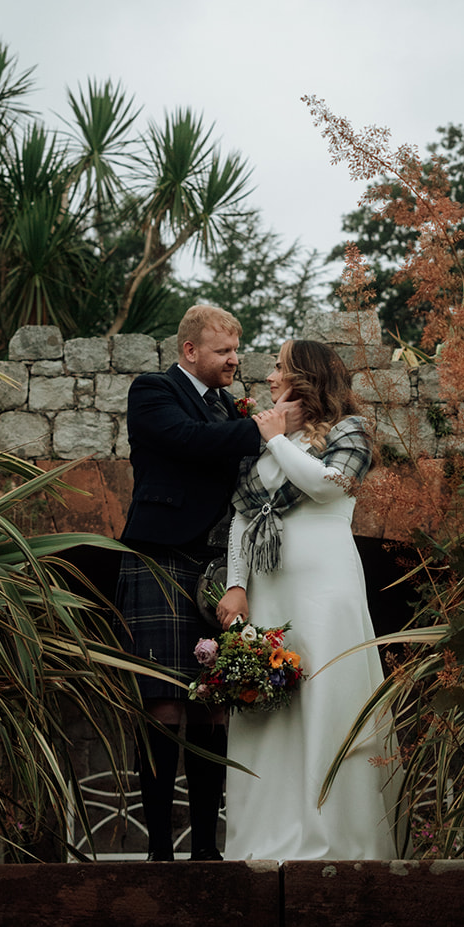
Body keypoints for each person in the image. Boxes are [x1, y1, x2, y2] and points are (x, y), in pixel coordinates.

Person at [117, 304, 300, 861]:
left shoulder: (227, 407)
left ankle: (205, 851)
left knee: (213, 703)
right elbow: (185, 440)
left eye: (236, 350)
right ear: (190, 351)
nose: (234, 359)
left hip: (218, 568)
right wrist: (257, 429)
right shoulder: (153, 391)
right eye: (223, 351)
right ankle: (158, 852)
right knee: (164, 705)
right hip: (159, 557)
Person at [217, 339, 400, 861]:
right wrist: (237, 584)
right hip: (270, 589)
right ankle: (260, 839)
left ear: (306, 377)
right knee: (266, 709)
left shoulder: (349, 432)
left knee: (326, 701)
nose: (270, 377)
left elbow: (327, 485)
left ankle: (333, 837)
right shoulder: (268, 439)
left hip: (325, 590)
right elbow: (242, 516)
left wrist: (276, 440)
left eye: (279, 367)